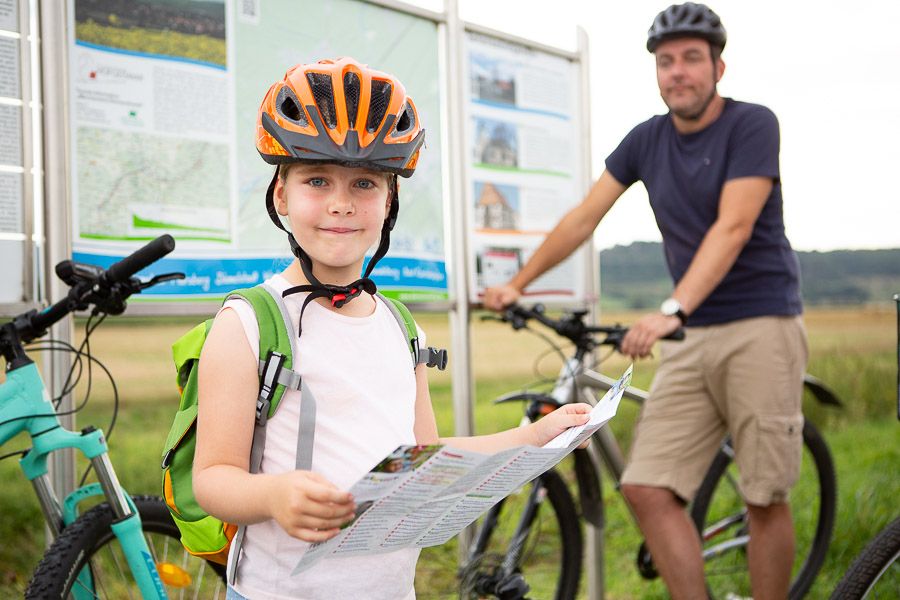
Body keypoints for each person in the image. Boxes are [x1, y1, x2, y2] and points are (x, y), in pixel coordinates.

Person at [192, 57, 592, 600]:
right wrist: (273, 495)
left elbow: (422, 460)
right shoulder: (249, 323)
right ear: (281, 195)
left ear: (389, 199)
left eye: (364, 183)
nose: (340, 204)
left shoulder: (400, 327)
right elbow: (213, 477)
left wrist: (532, 437)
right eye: (316, 179)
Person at [484, 4, 807, 599]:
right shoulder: (646, 139)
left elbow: (732, 228)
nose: (677, 72)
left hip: (760, 323)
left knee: (764, 495)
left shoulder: (752, 124)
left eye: (690, 58)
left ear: (718, 67)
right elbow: (584, 217)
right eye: (665, 62)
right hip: (689, 336)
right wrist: (519, 283)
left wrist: (671, 310)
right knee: (647, 488)